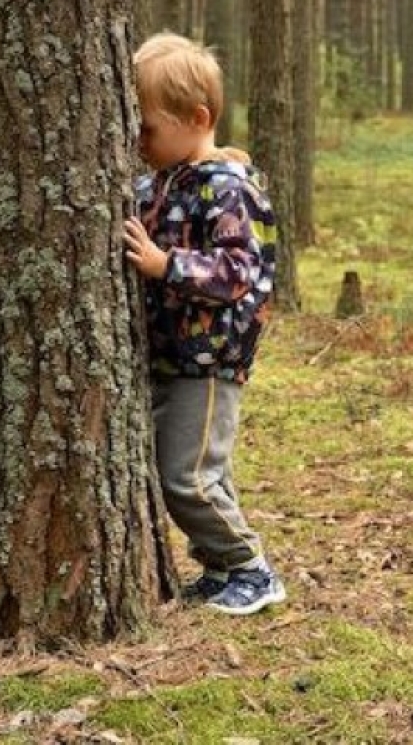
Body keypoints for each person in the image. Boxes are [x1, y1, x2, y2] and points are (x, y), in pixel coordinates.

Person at [122, 32, 286, 616]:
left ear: (197, 118)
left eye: (147, 129)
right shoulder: (158, 182)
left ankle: (251, 568)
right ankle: (223, 570)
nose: (137, 142)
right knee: (197, 470)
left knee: (186, 478)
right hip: (169, 354)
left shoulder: (228, 188)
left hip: (210, 360)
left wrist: (166, 266)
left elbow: (239, 270)